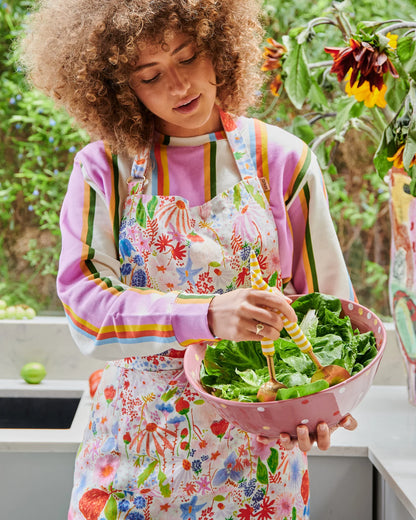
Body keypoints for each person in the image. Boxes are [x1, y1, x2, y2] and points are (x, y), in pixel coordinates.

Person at [20, 0, 357, 518]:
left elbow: (325, 308)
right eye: (150, 75)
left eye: (188, 56)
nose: (179, 86)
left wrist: (323, 405)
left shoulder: (283, 159)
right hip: (137, 456)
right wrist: (206, 315)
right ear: (118, 88)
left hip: (256, 461)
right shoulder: (103, 168)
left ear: (219, 46)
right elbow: (86, 306)